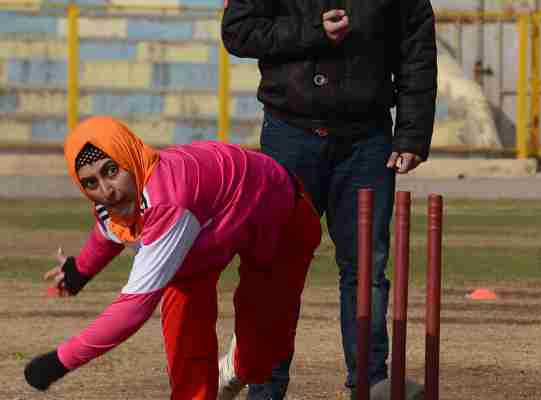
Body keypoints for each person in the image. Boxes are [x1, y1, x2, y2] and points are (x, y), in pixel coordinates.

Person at [222, 0, 438, 399]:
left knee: (366, 269)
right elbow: (238, 32)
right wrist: (312, 31)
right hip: (290, 133)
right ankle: (265, 387)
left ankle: (369, 385)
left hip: (367, 140)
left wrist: (412, 133)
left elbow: (416, 49)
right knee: (275, 268)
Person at [22, 116, 322, 400]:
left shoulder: (167, 203)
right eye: (90, 182)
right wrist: (79, 271)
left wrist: (59, 362)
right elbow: (109, 230)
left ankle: (232, 369)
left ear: (129, 156)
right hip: (206, 227)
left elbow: (133, 310)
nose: (106, 190)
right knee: (185, 333)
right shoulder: (118, 196)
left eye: (111, 170)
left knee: (257, 361)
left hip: (278, 215)